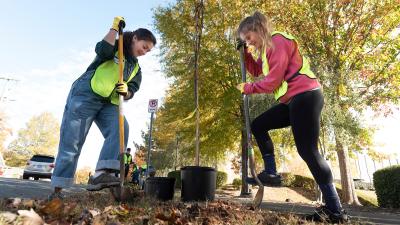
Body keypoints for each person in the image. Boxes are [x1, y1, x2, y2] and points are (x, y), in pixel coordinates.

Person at [236, 11, 348, 223]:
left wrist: (248, 89)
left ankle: (336, 210)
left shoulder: (277, 41)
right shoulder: (267, 50)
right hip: (292, 100)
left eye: (249, 38)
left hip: (306, 95)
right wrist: (245, 55)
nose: (249, 43)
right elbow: (259, 71)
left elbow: (272, 81)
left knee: (308, 150)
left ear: (259, 28)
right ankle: (271, 173)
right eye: (245, 41)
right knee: (259, 124)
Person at [49, 16, 156, 200]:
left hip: (109, 103)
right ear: (135, 38)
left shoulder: (136, 68)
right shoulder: (117, 46)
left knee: (121, 126)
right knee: (72, 141)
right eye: (144, 46)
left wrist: (126, 92)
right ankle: (57, 190)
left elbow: (133, 89)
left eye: (149, 51)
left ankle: (101, 173)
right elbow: (102, 49)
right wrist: (114, 29)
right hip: (86, 93)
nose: (145, 52)